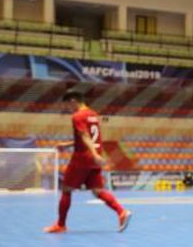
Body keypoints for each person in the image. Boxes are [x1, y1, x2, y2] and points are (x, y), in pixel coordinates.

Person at [44, 90, 130, 233]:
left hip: (83, 157)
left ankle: (60, 224)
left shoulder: (77, 116)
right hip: (94, 157)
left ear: (73, 101)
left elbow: (84, 136)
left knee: (66, 190)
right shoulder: (93, 115)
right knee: (97, 191)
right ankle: (122, 212)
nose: (68, 109)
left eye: (67, 105)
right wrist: (68, 145)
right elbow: (89, 137)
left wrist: (94, 154)